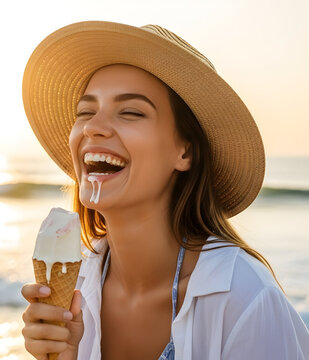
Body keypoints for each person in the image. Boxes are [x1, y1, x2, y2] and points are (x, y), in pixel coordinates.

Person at [20, 21, 309, 359]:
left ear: (184, 152)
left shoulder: (243, 299)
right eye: (85, 112)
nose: (93, 127)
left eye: (130, 112)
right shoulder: (77, 290)